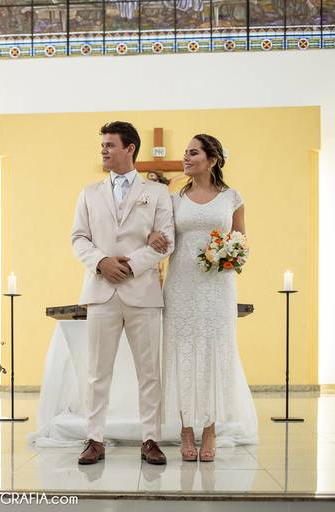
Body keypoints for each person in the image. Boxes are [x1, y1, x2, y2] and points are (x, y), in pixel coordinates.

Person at [148, 134, 258, 462]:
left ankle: (209, 429)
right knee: (181, 351)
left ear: (212, 160)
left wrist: (231, 254)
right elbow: (164, 239)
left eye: (193, 153)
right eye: (185, 152)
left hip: (217, 286)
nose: (186, 157)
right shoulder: (173, 200)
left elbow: (242, 242)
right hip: (181, 284)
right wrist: (152, 237)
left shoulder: (232, 198)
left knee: (213, 351)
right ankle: (185, 429)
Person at [70, 121, 174, 465]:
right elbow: (79, 238)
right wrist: (101, 262)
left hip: (143, 292)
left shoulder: (157, 193)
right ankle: (94, 439)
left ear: (130, 148)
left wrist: (130, 266)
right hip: (101, 292)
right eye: (102, 145)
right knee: (97, 372)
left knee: (150, 372)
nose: (104, 150)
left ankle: (151, 439)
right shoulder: (89, 193)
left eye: (110, 145)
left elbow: (166, 240)